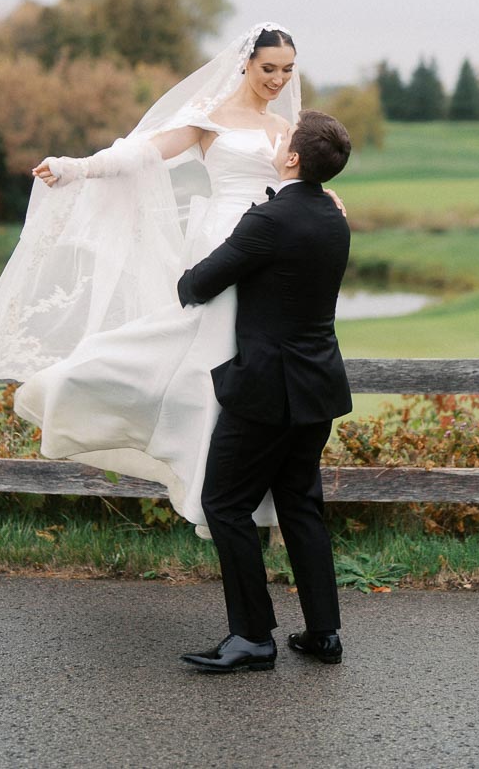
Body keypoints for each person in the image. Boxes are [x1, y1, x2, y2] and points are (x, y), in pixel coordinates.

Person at [0, 23, 317, 533]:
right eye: (268, 69)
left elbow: (301, 182)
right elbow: (143, 152)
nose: (278, 80)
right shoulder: (208, 118)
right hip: (221, 244)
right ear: (245, 63)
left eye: (286, 70)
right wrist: (78, 167)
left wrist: (325, 199)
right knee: (208, 358)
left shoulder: (285, 131)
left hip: (272, 254)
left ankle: (238, 493)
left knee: (250, 366)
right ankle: (80, 392)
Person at [178, 110, 353, 674]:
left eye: (285, 140)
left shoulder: (269, 220)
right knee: (301, 503)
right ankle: (324, 633)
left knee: (224, 503)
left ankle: (252, 637)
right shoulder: (333, 215)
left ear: (294, 158)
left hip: (265, 390)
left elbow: (197, 285)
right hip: (317, 384)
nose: (277, 141)